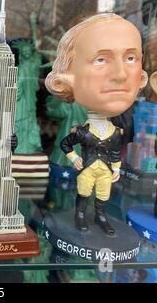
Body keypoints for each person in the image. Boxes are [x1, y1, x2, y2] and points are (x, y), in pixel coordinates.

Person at [45, 13, 148, 236]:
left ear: (141, 77)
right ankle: (80, 217)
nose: (120, 75)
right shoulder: (80, 128)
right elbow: (65, 141)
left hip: (104, 172)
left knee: (101, 196)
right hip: (79, 168)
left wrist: (118, 168)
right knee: (78, 197)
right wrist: (73, 157)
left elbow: (114, 151)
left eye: (130, 58)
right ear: (67, 76)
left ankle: (99, 217)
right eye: (100, 60)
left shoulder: (116, 130)